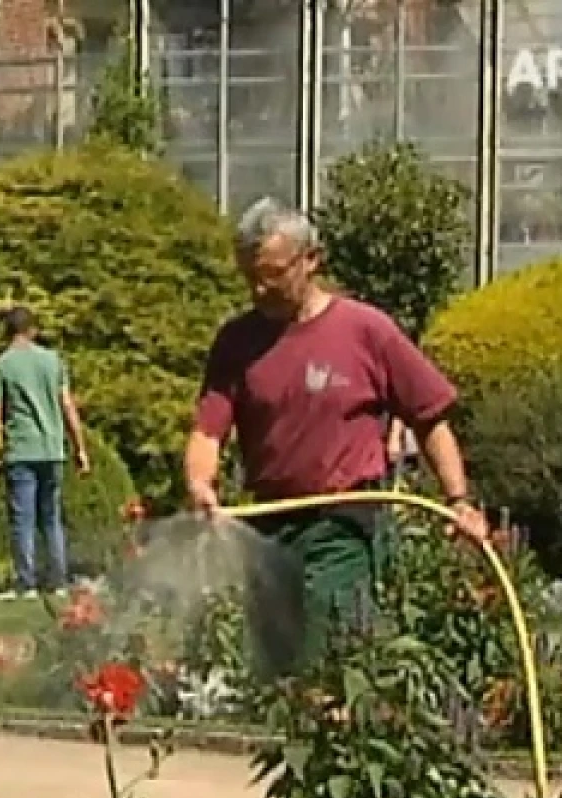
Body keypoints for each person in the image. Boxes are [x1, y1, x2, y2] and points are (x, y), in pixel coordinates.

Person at [184, 198, 489, 676]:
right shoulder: (237, 342)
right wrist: (201, 483)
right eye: (249, 277)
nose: (259, 288)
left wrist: (459, 498)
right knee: (277, 667)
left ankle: (339, 731)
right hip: (268, 521)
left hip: (342, 521)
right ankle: (293, 744)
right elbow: (209, 430)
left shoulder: (366, 331)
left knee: (330, 652)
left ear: (311, 260)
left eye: (272, 274)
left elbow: (430, 417)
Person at [0, 306, 90, 598]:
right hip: (52, 448)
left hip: (21, 449)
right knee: (51, 517)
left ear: (7, 332)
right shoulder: (52, 361)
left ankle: (26, 583)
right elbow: (67, 405)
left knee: (23, 519)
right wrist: (80, 447)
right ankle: (58, 580)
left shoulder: (1, 366)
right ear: (33, 330)